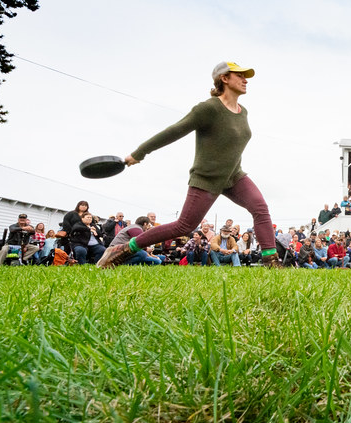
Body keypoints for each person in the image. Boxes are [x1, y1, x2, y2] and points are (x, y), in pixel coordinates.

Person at [99, 61, 279, 268]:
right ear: (224, 78)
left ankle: (271, 262)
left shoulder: (242, 111)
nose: (245, 80)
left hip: (234, 177)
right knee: (184, 226)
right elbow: (175, 130)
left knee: (261, 209)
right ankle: (121, 249)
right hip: (207, 178)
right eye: (240, 75)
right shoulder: (208, 109)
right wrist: (139, 153)